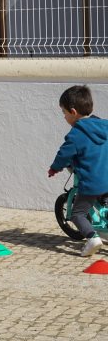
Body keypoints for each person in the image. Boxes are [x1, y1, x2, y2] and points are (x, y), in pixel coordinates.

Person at [48, 85, 108, 257]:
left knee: (78, 213)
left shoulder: (76, 134)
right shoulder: (105, 126)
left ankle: (92, 238)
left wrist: (54, 168)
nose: (64, 116)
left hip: (92, 182)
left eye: (64, 112)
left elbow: (64, 154)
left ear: (73, 112)